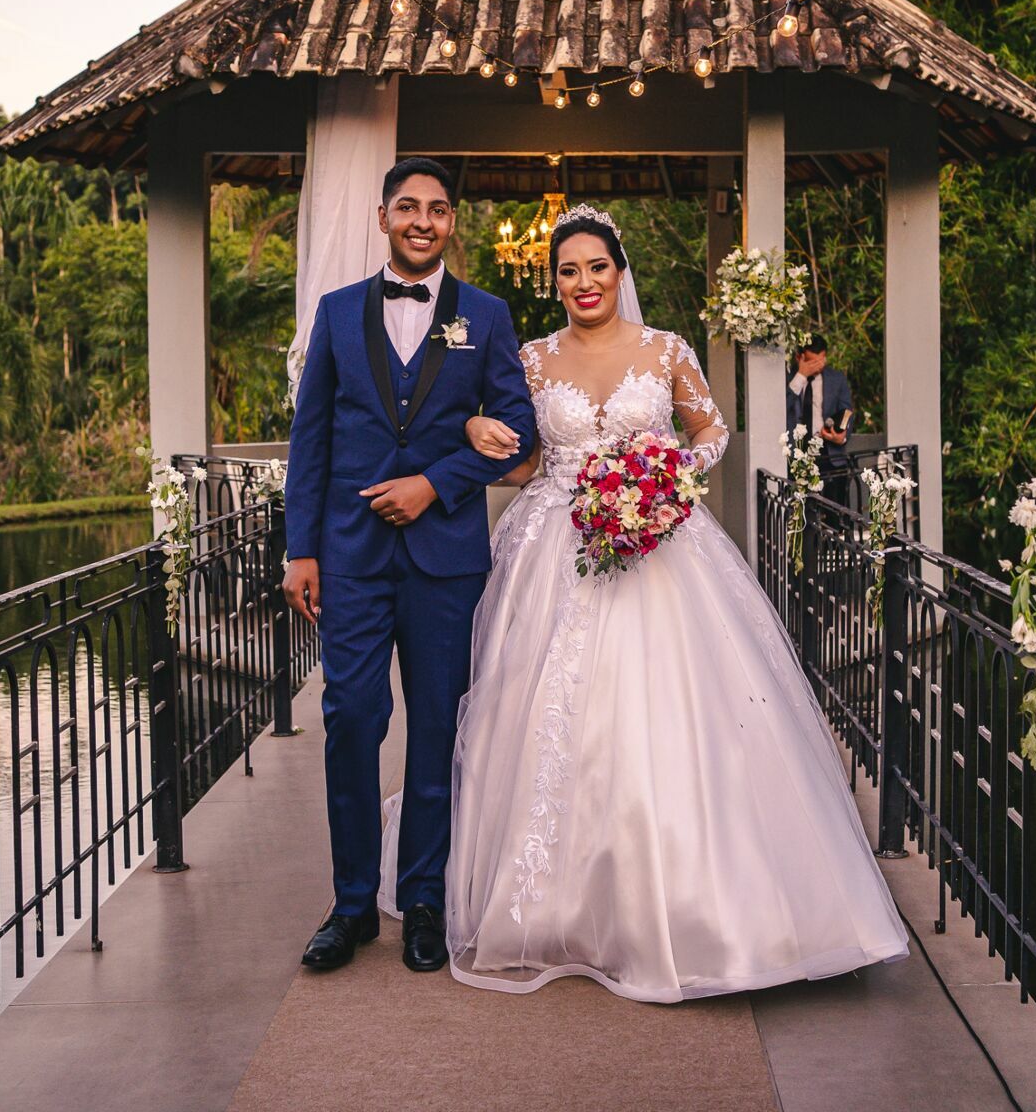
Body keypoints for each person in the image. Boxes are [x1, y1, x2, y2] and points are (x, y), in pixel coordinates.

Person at [394, 203, 908, 1003]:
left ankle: (706, 910)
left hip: (662, 542)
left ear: (619, 271)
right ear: (553, 280)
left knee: (669, 716)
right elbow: (522, 463)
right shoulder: (528, 359)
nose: (583, 281)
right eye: (568, 270)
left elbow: (712, 431)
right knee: (545, 720)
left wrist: (662, 476)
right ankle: (557, 904)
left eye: (597, 266)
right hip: (553, 549)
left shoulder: (667, 350)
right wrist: (475, 437)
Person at [283, 156, 536, 974]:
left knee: (437, 729)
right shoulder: (335, 312)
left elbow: (521, 428)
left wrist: (436, 483)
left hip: (446, 560)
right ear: (383, 216)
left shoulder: (488, 316)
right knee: (351, 719)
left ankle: (423, 899)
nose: (423, 220)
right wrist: (301, 550)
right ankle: (352, 903)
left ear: (451, 221)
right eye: (408, 207)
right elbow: (310, 440)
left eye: (437, 209)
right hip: (351, 562)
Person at [787, 334, 856, 503]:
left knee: (834, 512)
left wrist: (842, 435)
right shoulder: (787, 379)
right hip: (796, 454)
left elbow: (847, 411)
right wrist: (801, 376)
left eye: (822, 360)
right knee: (800, 510)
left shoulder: (836, 378)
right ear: (799, 357)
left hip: (829, 453)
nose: (818, 366)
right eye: (812, 361)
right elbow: (778, 408)